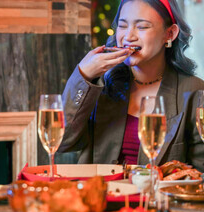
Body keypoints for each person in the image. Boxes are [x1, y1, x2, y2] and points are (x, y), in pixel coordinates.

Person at [58, 0, 204, 172]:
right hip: (102, 195)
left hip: (157, 198)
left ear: (170, 34)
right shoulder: (100, 85)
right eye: (122, 25)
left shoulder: (194, 91)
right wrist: (84, 75)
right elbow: (62, 142)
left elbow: (199, 174)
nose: (128, 36)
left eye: (142, 27)